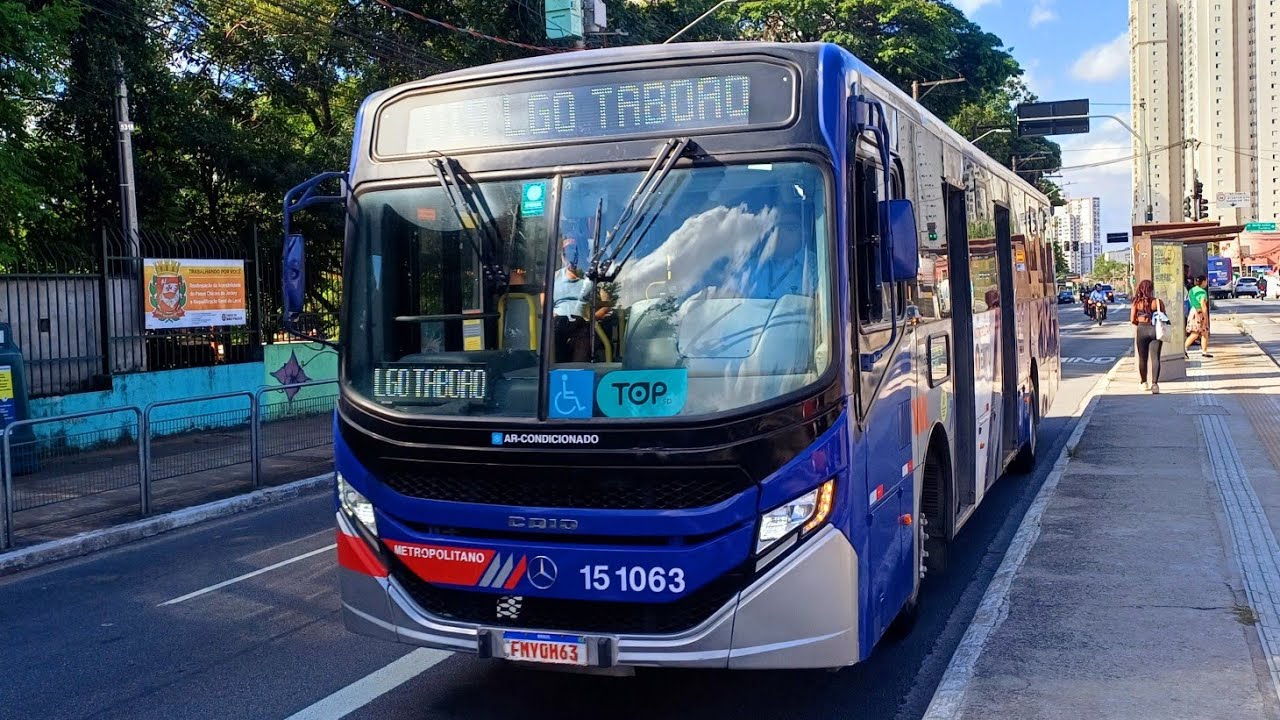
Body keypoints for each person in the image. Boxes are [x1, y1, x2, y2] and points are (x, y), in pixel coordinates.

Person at [552, 236, 608, 363]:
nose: (571, 258)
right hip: (558, 324)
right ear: (562, 256)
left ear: (582, 255)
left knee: (584, 335)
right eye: (568, 253)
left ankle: (578, 371)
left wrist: (592, 318)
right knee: (553, 333)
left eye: (575, 253)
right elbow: (544, 302)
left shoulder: (591, 278)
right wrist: (551, 315)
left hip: (583, 325)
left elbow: (607, 303)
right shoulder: (554, 277)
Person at [1130, 279, 1166, 394]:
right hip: (1155, 329)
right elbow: (1164, 317)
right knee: (1155, 358)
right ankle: (1155, 385)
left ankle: (1143, 383)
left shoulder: (1137, 303)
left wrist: (1140, 323)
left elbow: (1132, 319)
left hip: (1142, 329)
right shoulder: (1157, 302)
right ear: (1151, 290)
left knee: (1142, 358)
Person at [1184, 274, 1212, 358]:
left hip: (1192, 311)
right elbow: (1203, 305)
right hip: (1199, 312)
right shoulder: (1202, 292)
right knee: (1195, 333)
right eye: (1206, 281)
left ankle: (1204, 351)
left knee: (1204, 333)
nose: (1206, 283)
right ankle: (1184, 348)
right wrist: (1205, 317)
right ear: (1203, 282)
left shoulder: (1192, 290)